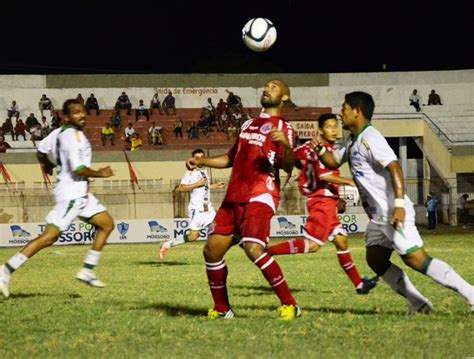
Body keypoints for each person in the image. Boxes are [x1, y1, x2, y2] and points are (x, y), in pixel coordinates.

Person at [315, 91, 474, 313]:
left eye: (344, 108)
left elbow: (395, 167)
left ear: (357, 111)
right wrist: (320, 148)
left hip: (393, 211)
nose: (341, 113)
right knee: (375, 259)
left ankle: (471, 293)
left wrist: (399, 206)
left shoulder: (371, 138)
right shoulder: (353, 141)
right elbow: (332, 160)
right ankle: (419, 303)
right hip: (380, 217)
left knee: (416, 259)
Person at [186, 79, 301, 320]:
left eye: (274, 87)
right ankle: (222, 309)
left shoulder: (284, 127)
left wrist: (287, 147)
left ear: (285, 98)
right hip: (233, 198)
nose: (267, 89)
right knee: (211, 251)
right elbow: (230, 158)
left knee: (253, 247)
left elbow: (286, 165)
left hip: (260, 194)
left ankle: (290, 304)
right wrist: (202, 161)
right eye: (266, 86)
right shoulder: (248, 124)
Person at [0, 99, 115, 298]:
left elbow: (40, 152)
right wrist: (100, 173)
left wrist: (48, 165)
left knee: (107, 224)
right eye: (77, 113)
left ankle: (87, 270)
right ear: (67, 117)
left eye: (83, 112)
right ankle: (5, 270)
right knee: (50, 237)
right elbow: (78, 168)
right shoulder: (74, 137)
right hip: (72, 194)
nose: (82, 115)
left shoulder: (58, 133)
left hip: (80, 193)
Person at [267, 114, 377, 295]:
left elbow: (292, 156)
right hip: (321, 201)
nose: (334, 130)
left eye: (335, 126)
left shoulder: (308, 147)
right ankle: (267, 252)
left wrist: (302, 168)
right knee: (313, 245)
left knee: (341, 241)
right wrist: (350, 182)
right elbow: (324, 176)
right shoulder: (324, 149)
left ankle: (359, 284)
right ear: (320, 130)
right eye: (329, 127)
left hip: (325, 200)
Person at [159, 149, 225, 259]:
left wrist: (215, 186)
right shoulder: (190, 173)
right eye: (197, 158)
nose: (199, 160)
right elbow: (182, 188)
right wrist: (197, 183)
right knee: (193, 236)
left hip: (208, 208)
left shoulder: (205, 171)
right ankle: (167, 244)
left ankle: (215, 254)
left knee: (219, 228)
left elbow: (205, 187)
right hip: (197, 209)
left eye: (201, 157)